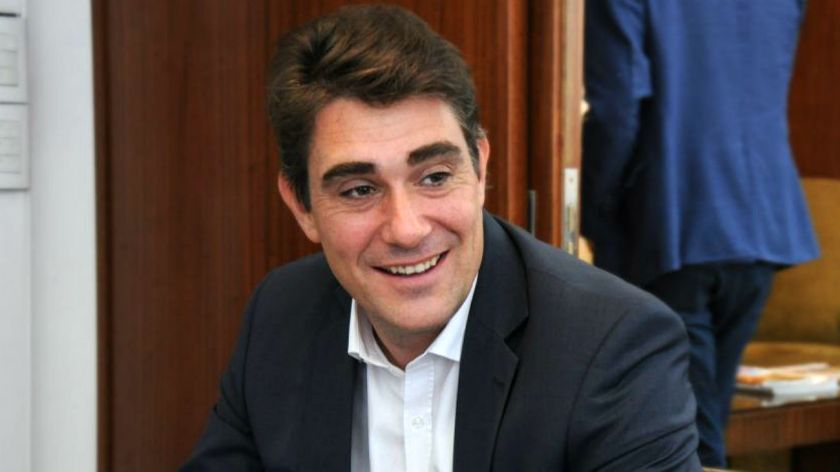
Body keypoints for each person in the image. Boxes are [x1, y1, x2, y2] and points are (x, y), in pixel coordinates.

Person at [182, 5, 701, 471]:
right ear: (301, 206)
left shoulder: (613, 346)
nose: (407, 229)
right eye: (360, 189)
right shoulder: (281, 315)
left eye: (433, 177)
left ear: (480, 169)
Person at [581, 0, 820, 467]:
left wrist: (593, 211)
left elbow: (615, 109)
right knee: (700, 427)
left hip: (672, 221)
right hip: (761, 222)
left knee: (684, 437)